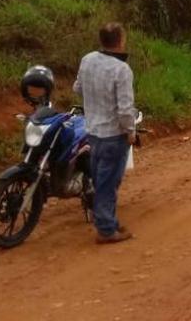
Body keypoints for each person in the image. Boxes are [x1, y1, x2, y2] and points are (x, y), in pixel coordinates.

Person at [73, 22, 138, 244]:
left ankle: (106, 218)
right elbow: (125, 108)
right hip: (114, 134)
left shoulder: (87, 59)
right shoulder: (122, 70)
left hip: (92, 131)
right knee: (108, 182)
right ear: (120, 41)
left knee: (102, 178)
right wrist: (130, 131)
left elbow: (77, 89)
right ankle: (106, 229)